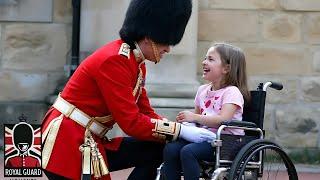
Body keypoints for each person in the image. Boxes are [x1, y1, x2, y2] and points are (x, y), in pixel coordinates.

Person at [41, 0, 216, 179]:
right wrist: (180, 131)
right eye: (165, 41)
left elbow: (145, 112)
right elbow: (131, 123)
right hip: (68, 141)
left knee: (156, 148)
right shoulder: (114, 61)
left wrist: (177, 130)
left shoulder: (136, 64)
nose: (168, 49)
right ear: (148, 37)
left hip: (90, 139)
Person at [162, 43, 251, 180]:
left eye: (210, 59)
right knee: (171, 149)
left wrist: (194, 117)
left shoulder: (232, 92)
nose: (204, 62)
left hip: (226, 142)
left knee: (188, 152)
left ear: (226, 68)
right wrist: (186, 123)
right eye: (205, 58)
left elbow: (224, 120)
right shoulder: (202, 90)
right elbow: (196, 120)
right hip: (204, 138)